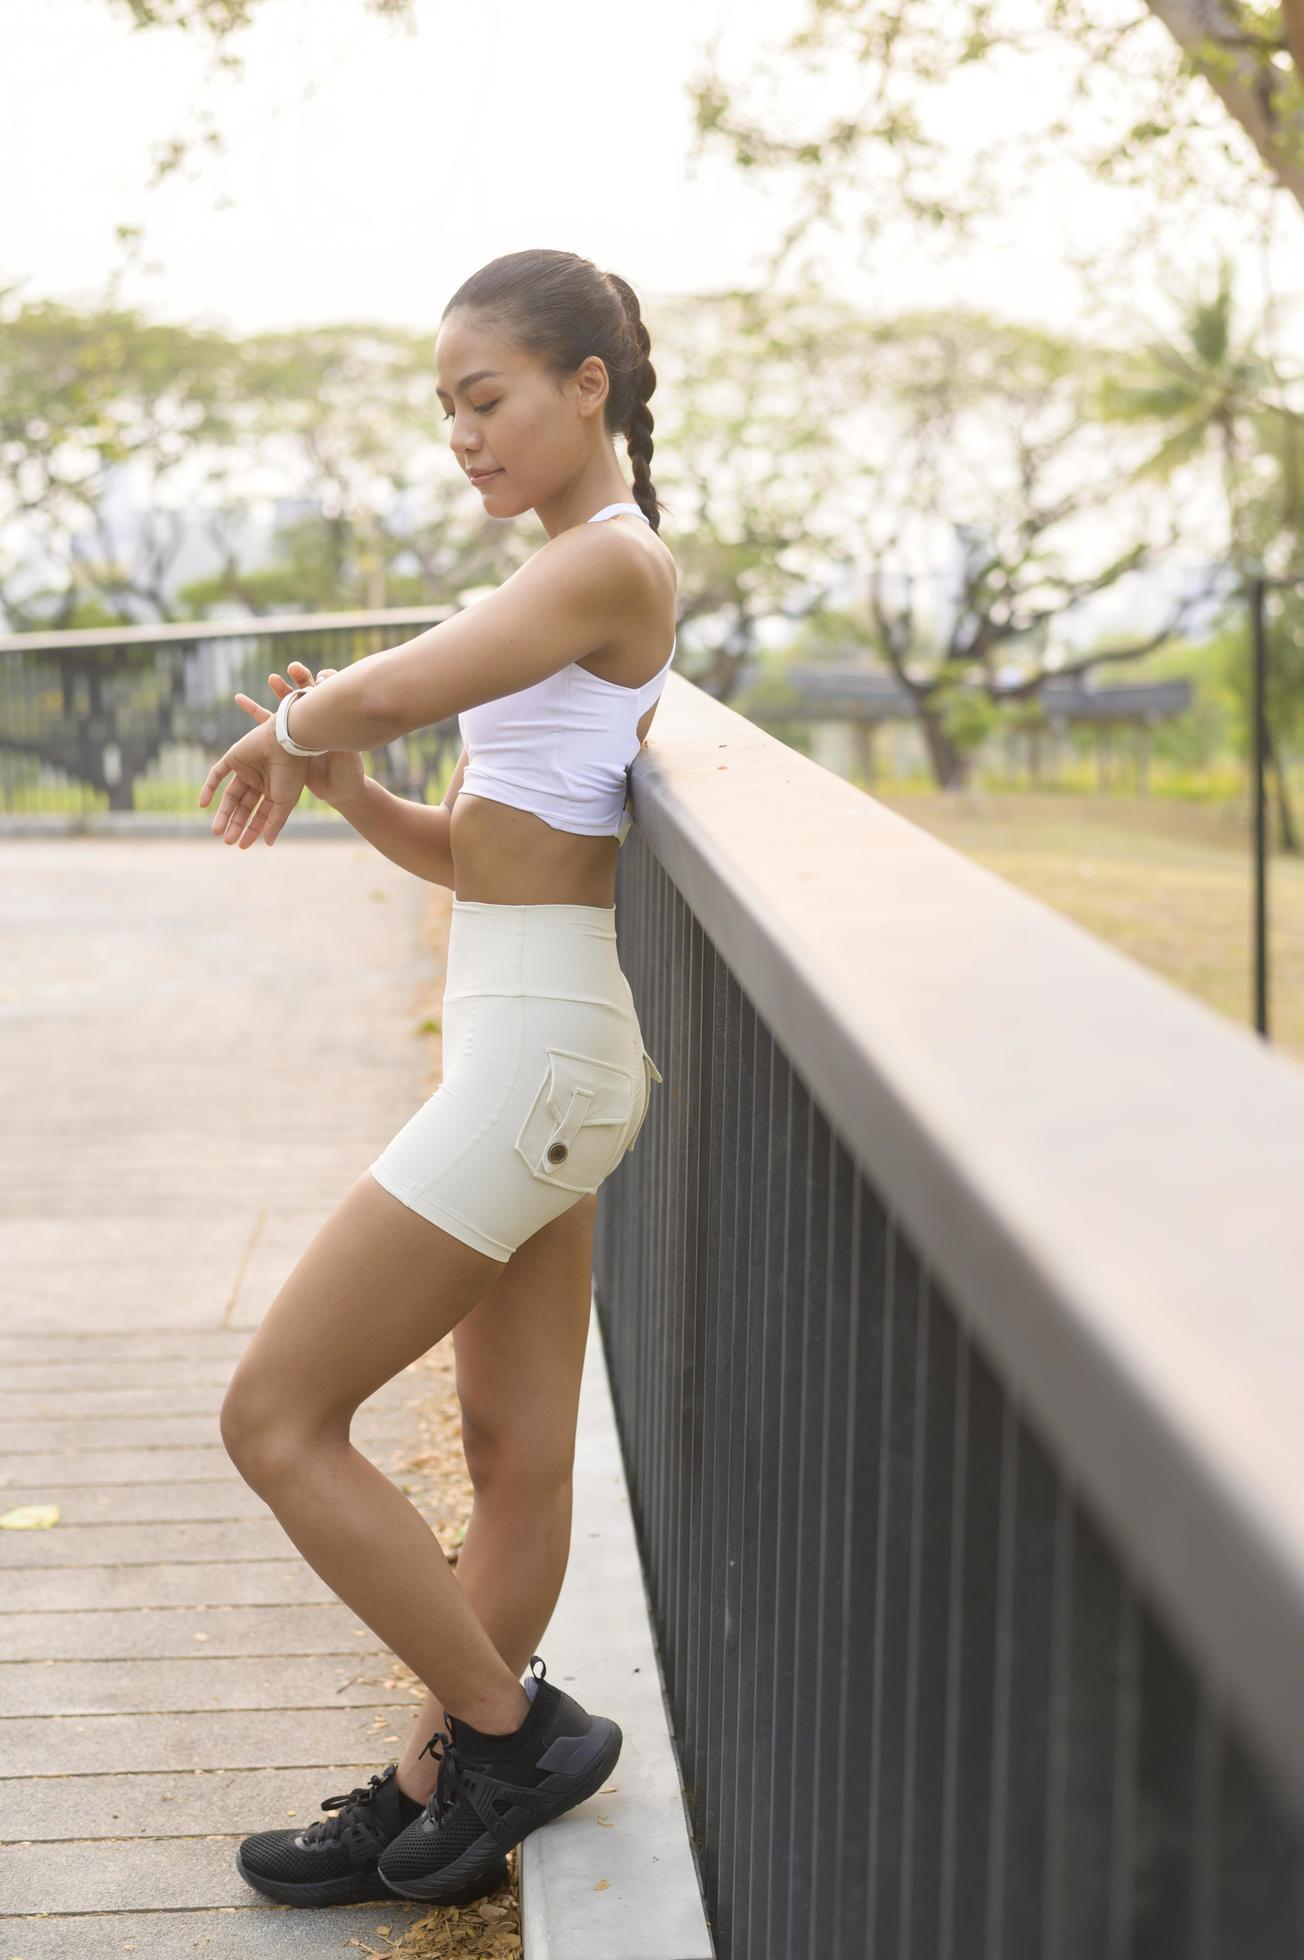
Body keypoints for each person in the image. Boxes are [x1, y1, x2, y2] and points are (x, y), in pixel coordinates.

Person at [196, 249, 677, 1910]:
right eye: (448, 411)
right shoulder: (559, 581)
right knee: (510, 1452)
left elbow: (406, 673)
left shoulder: (608, 570)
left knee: (275, 1415)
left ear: (585, 390)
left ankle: (510, 1732)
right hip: (533, 1047)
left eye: (486, 401)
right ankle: (426, 1794)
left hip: (540, 1060)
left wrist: (312, 717)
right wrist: (335, 777)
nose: (463, 437)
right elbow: (477, 850)